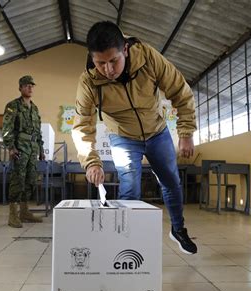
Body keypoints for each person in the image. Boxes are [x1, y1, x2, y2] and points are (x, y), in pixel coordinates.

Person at [72, 21, 198, 254]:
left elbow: (181, 91)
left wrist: (186, 132)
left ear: (126, 50)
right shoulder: (89, 82)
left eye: (114, 61)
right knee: (130, 187)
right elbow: (82, 125)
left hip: (157, 131)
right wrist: (91, 161)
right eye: (101, 63)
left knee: (171, 181)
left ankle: (178, 229)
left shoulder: (148, 58)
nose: (108, 70)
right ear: (92, 58)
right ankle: (126, 242)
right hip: (123, 136)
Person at [2, 75, 45, 228]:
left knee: (30, 180)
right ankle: (13, 215)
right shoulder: (13, 105)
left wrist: (40, 148)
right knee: (17, 180)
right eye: (26, 85)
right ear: (20, 88)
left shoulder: (34, 108)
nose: (30, 88)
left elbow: (38, 131)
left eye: (32, 85)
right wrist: (11, 147)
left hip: (33, 148)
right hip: (20, 147)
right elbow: (7, 128)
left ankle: (25, 212)